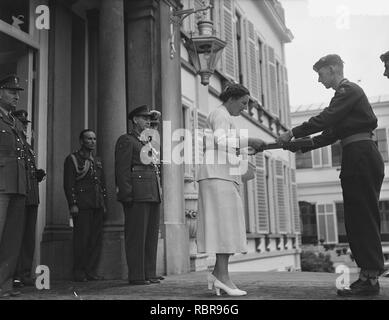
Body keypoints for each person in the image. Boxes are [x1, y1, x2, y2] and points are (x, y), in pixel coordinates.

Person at [277, 54, 385, 296]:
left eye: (320, 73)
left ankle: (370, 279)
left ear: (333, 68)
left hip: (361, 155)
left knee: (362, 217)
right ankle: (367, 275)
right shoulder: (346, 100)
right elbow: (329, 134)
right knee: (357, 217)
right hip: (357, 155)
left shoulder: (349, 90)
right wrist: (301, 144)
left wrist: (292, 132)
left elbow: (326, 118)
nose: (318, 79)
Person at [196, 83, 265, 296]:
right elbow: (221, 140)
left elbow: (224, 143)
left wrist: (244, 147)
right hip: (218, 176)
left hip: (220, 175)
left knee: (227, 226)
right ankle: (223, 278)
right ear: (231, 99)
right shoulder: (221, 114)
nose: (245, 108)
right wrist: (249, 140)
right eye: (243, 103)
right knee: (225, 227)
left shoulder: (223, 116)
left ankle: (218, 275)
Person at [115, 105, 162, 286]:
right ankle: (137, 275)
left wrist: (154, 122)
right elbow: (122, 169)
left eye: (149, 119)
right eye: (144, 118)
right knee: (137, 236)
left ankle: (149, 272)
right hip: (137, 193)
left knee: (150, 236)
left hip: (151, 192)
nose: (148, 121)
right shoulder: (126, 140)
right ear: (135, 120)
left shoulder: (146, 142)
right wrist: (126, 195)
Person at [63, 129, 107, 282]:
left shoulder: (97, 160)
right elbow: (69, 184)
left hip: (97, 205)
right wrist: (72, 204)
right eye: (89, 139)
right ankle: (79, 271)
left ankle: (91, 271)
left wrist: (104, 204)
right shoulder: (73, 159)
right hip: (82, 205)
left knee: (95, 240)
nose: (92, 142)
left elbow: (102, 184)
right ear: (81, 141)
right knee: (82, 240)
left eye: (94, 139)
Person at [11, 110, 46, 288]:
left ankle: (24, 273)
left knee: (28, 238)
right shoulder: (16, 144)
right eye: (22, 122)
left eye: (26, 124)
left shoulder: (27, 145)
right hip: (20, 194)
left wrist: (36, 174)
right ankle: (15, 274)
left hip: (31, 195)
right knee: (17, 237)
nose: (25, 126)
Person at [0, 75, 27, 298]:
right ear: (0, 92)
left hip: (17, 184)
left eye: (18, 92)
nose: (16, 96)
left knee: (12, 237)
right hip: (1, 184)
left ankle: (4, 285)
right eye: (11, 91)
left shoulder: (15, 122)